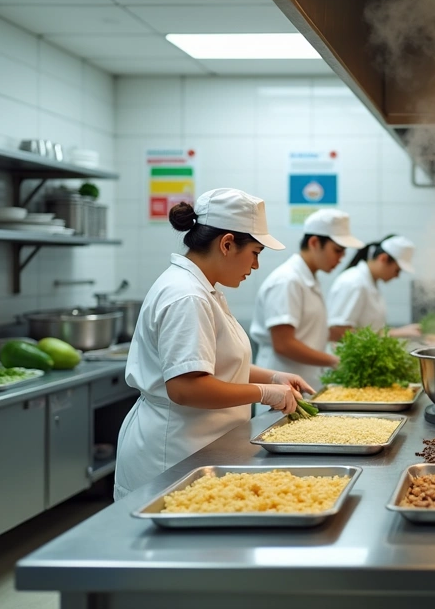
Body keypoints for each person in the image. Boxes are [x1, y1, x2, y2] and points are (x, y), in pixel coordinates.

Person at [115, 189, 311, 500]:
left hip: (200, 449)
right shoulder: (187, 296)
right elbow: (186, 388)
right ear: (227, 243)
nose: (256, 265)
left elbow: (215, 363)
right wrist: (265, 393)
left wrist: (272, 377)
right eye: (256, 252)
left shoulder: (204, 290)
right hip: (173, 454)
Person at [250, 208, 364, 388]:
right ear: (314, 242)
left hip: (304, 381)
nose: (342, 258)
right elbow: (284, 344)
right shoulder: (287, 281)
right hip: (281, 384)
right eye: (338, 250)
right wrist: (334, 360)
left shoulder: (309, 279)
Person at [328, 235, 420, 341]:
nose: (397, 276)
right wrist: (394, 333)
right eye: (397, 270)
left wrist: (399, 331)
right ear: (383, 258)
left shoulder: (369, 283)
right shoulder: (354, 282)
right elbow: (338, 331)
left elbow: (370, 327)